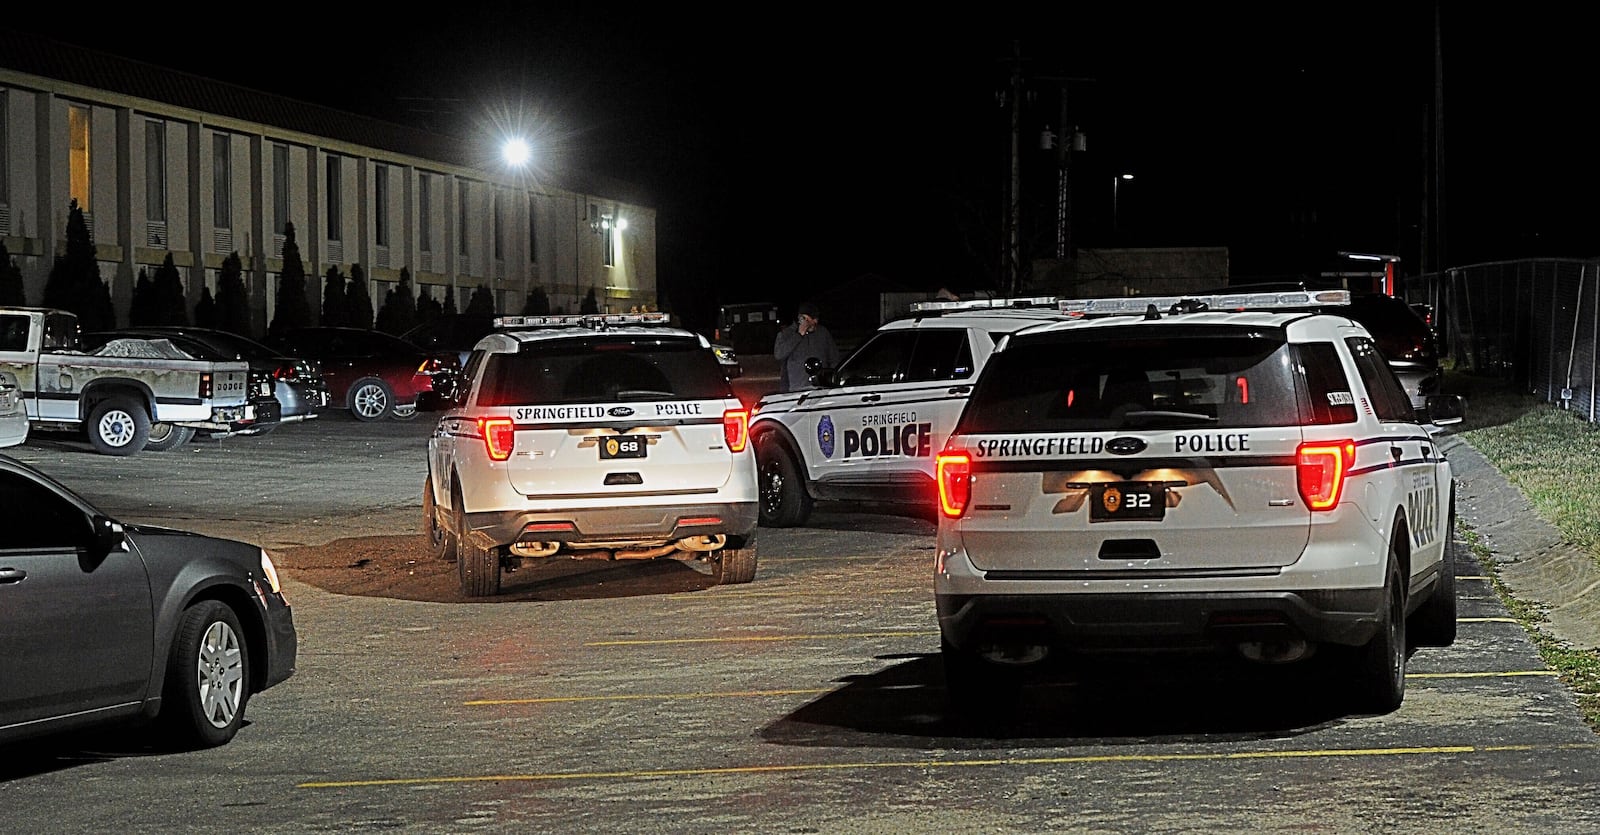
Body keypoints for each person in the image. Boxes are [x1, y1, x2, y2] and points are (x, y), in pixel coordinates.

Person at [774, 302, 840, 392]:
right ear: (801, 318)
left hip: (821, 388)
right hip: (797, 389)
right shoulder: (786, 334)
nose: (815, 321)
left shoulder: (823, 333)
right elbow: (779, 354)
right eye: (811, 318)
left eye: (816, 318)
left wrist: (830, 379)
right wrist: (799, 335)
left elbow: (834, 358)